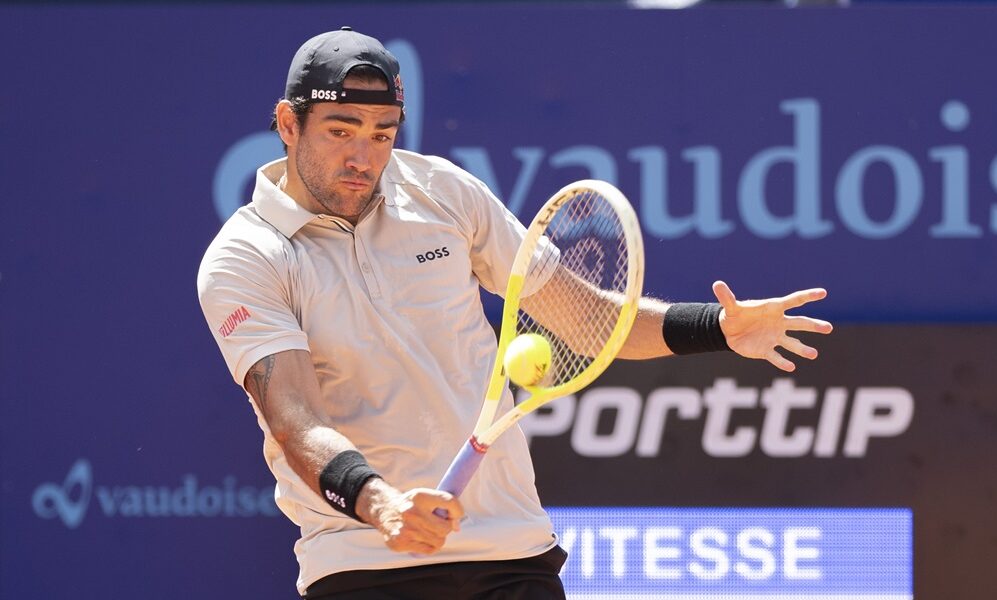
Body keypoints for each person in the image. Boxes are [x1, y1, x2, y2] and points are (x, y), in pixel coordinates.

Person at [197, 27, 833, 600]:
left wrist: (716, 327)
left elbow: (586, 316)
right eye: (341, 132)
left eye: (382, 134)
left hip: (512, 554)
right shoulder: (245, 257)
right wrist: (382, 504)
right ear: (288, 124)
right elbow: (295, 420)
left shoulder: (444, 193)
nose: (363, 157)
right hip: (361, 562)